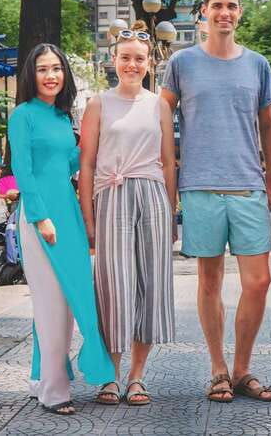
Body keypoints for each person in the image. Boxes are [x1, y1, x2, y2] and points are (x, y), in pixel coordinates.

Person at [161, 0, 271, 403]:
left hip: (248, 185)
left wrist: (270, 180)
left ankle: (243, 367)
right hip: (199, 187)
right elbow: (160, 118)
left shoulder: (258, 65)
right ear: (203, 13)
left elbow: (269, 125)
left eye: (231, 5)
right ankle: (218, 370)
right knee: (209, 281)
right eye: (217, 5)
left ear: (239, 12)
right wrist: (169, 179)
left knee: (259, 281)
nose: (224, 12)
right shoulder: (182, 64)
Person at [8, 43, 113, 415]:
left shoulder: (61, 117)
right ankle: (54, 390)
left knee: (69, 300)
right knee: (51, 302)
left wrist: (93, 136)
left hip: (66, 211)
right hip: (41, 217)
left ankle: (43, 376)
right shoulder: (23, 115)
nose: (51, 75)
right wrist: (39, 216)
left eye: (56, 68)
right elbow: (22, 167)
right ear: (31, 75)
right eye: (42, 69)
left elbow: (71, 161)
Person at [79, 21, 177, 406]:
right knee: (114, 287)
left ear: (149, 62)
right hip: (112, 196)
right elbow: (86, 164)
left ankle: (137, 376)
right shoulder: (98, 104)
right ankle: (111, 375)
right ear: (113, 60)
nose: (132, 65)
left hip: (152, 194)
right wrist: (88, 216)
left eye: (139, 59)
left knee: (150, 285)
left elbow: (169, 163)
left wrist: (171, 213)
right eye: (125, 58)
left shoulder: (159, 105)